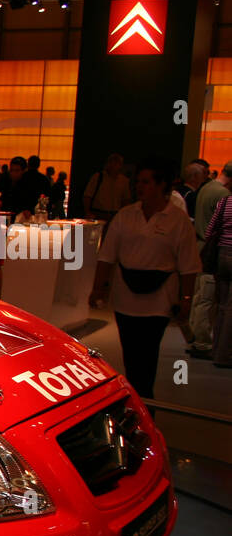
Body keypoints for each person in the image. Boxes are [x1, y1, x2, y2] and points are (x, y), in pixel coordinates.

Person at [89, 156, 200, 399]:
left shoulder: (177, 219)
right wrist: (97, 288)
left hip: (159, 299)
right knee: (130, 356)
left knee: (147, 357)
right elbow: (106, 256)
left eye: (147, 182)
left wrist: (187, 299)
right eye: (138, 181)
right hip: (126, 297)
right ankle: (136, 403)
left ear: (161, 185)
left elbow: (189, 265)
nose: (140, 186)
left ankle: (144, 404)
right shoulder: (126, 215)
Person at [191, 160, 232, 360]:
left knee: (201, 297)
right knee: (214, 301)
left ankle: (197, 339)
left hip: (205, 249)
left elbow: (209, 228)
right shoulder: (224, 195)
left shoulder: (208, 188)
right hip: (217, 252)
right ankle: (206, 344)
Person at [82, 152, 132, 225]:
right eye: (112, 163)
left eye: (117, 163)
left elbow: (126, 200)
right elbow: (87, 196)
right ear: (108, 164)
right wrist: (88, 212)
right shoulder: (98, 177)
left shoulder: (124, 181)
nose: (114, 165)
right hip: (98, 214)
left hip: (115, 215)